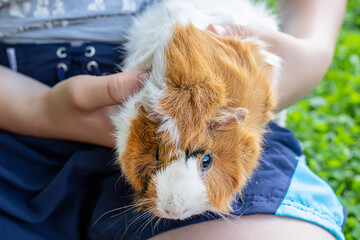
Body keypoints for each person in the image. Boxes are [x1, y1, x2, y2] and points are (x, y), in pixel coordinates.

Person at [0, 0, 347, 239]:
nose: (176, 206)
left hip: (221, 75)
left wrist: (312, 49)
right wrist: (37, 108)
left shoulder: (229, 125)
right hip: (16, 105)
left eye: (205, 162)